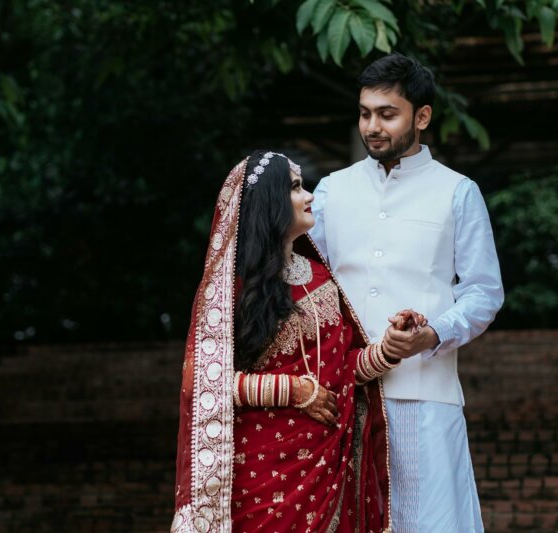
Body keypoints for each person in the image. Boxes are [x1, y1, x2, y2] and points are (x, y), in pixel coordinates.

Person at [171, 149, 422, 532]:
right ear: (270, 201)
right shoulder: (231, 290)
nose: (309, 197)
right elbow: (202, 381)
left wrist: (388, 348)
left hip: (326, 465)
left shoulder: (321, 277)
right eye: (296, 188)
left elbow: (342, 368)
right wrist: (292, 390)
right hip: (260, 470)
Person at [309, 53, 504, 532]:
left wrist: (432, 334)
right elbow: (310, 287)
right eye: (365, 113)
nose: (372, 126)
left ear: (422, 116)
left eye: (387, 114)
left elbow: (483, 292)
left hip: (426, 394)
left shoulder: (458, 192)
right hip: (343, 394)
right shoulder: (331, 192)